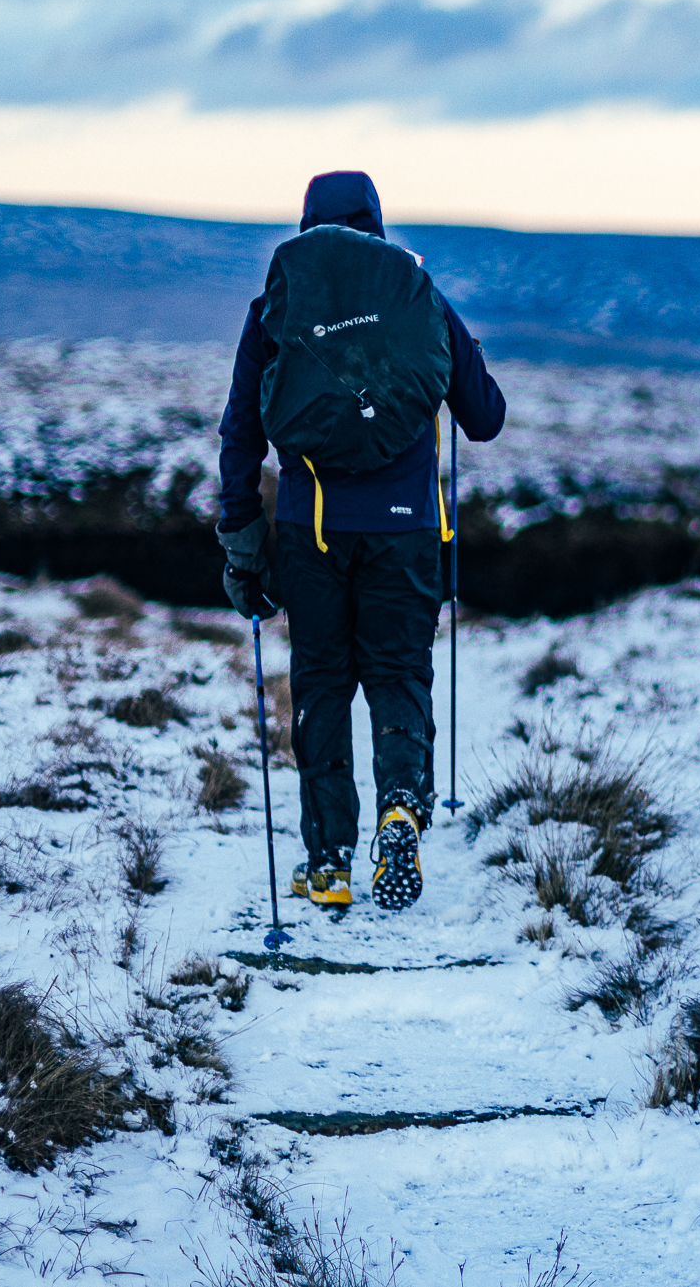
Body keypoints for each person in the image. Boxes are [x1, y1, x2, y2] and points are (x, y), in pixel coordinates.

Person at [216, 170, 506, 909]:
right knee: (399, 674)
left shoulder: (274, 307)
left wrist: (243, 539)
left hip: (309, 532)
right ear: (377, 222)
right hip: (406, 533)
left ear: (306, 223)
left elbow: (241, 433)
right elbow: (485, 417)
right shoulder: (419, 297)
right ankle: (401, 808)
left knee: (321, 683)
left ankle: (329, 863)